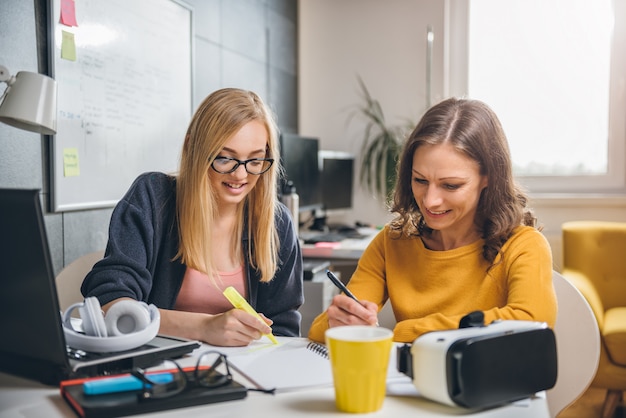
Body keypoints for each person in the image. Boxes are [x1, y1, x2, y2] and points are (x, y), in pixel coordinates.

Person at [308, 97, 557, 343]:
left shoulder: (524, 245)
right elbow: (319, 331)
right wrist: (340, 321)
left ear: (488, 177)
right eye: (420, 180)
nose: (430, 201)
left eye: (450, 185)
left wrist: (401, 333)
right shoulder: (392, 242)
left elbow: (531, 323)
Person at [82, 88, 304, 346]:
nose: (240, 175)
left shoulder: (276, 224)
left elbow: (284, 332)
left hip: (246, 373)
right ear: (193, 147)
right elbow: (110, 304)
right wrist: (203, 327)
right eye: (224, 158)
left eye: (254, 161)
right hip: (159, 368)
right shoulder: (154, 198)